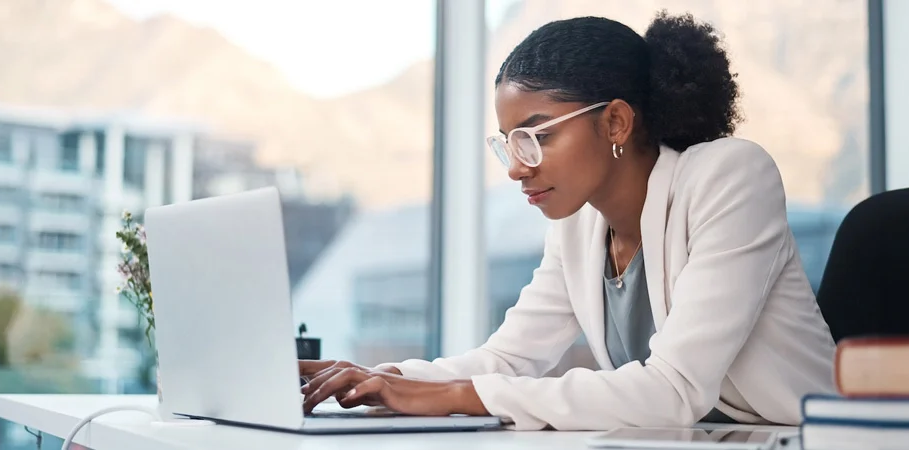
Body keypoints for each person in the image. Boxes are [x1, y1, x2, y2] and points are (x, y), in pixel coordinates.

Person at [300, 11, 836, 431]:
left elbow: (674, 390)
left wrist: (453, 396)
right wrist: (381, 379)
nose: (515, 167)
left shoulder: (731, 176)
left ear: (616, 122)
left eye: (537, 137)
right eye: (508, 143)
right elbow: (509, 358)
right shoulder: (579, 224)